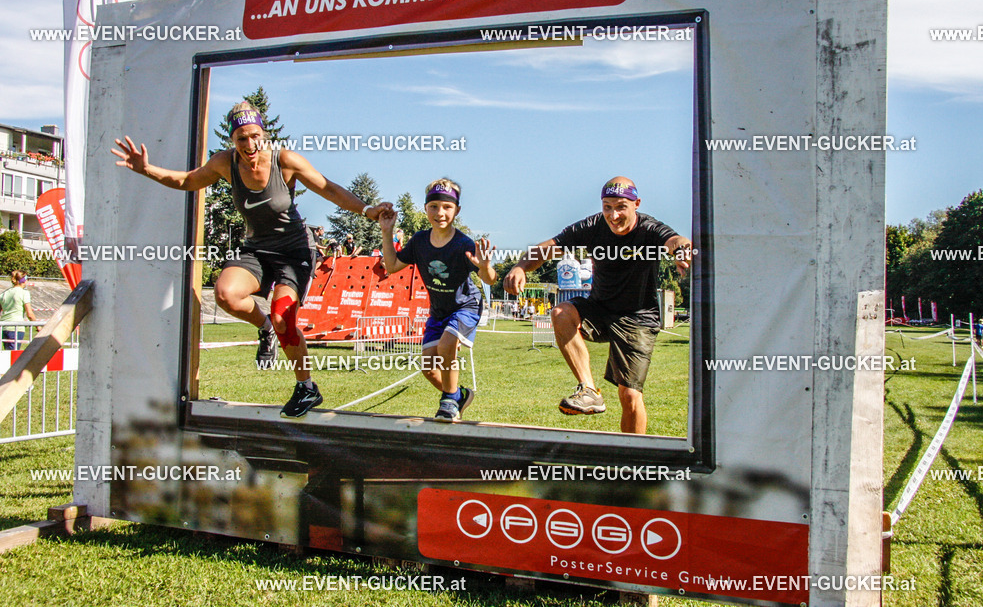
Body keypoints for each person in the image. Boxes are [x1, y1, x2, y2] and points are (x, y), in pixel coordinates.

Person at [111, 100, 392, 418]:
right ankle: (265, 327)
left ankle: (306, 388)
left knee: (285, 315)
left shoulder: (284, 160)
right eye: (241, 138)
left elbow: (328, 188)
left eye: (254, 136)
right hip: (256, 249)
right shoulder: (223, 163)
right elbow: (187, 181)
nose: (249, 145)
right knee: (226, 295)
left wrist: (367, 210)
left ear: (265, 135)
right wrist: (147, 169)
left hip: (295, 251)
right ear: (232, 139)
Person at [504, 177, 691, 435]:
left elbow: (674, 240)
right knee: (561, 312)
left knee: (629, 396)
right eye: (607, 207)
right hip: (600, 309)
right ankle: (589, 391)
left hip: (638, 317)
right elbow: (547, 248)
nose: (613, 215)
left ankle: (633, 461)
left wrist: (682, 250)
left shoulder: (649, 228)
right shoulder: (592, 226)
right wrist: (520, 266)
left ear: (636, 204)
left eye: (621, 207)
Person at [379, 178, 496, 421]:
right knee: (429, 370)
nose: (440, 212)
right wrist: (387, 231)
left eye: (447, 207)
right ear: (425, 208)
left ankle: (449, 402)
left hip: (466, 306)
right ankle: (459, 394)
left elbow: (490, 278)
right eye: (433, 206)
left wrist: (485, 265)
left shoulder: (464, 243)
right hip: (438, 312)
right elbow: (391, 266)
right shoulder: (419, 241)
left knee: (447, 345)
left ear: (457, 210)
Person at [0, 270, 37, 350]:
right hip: (16, 328)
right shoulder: (24, 293)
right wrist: (38, 326)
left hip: (4, 327)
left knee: (7, 353)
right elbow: (30, 314)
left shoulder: (4, 294)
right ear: (23, 281)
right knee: (13, 355)